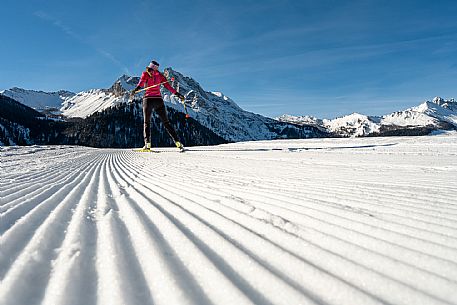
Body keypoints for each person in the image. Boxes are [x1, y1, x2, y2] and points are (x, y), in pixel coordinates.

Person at [131, 60, 185, 151]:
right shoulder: (160, 76)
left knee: (147, 123)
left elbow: (140, 83)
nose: (150, 71)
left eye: (151, 69)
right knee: (166, 123)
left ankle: (147, 144)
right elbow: (168, 87)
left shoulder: (145, 74)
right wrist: (178, 94)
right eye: (150, 69)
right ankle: (178, 142)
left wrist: (135, 90)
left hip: (148, 100)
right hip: (158, 100)